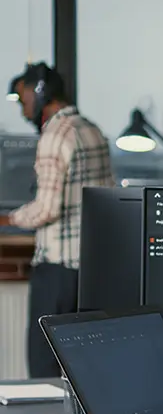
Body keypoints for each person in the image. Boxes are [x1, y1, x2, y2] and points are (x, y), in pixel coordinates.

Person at [1, 62, 113, 377]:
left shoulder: (54, 135)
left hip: (58, 270)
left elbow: (46, 208)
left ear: (40, 94)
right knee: (87, 368)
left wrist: (9, 219)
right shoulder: (91, 129)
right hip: (92, 270)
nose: (23, 112)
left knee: (45, 366)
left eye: (23, 101)